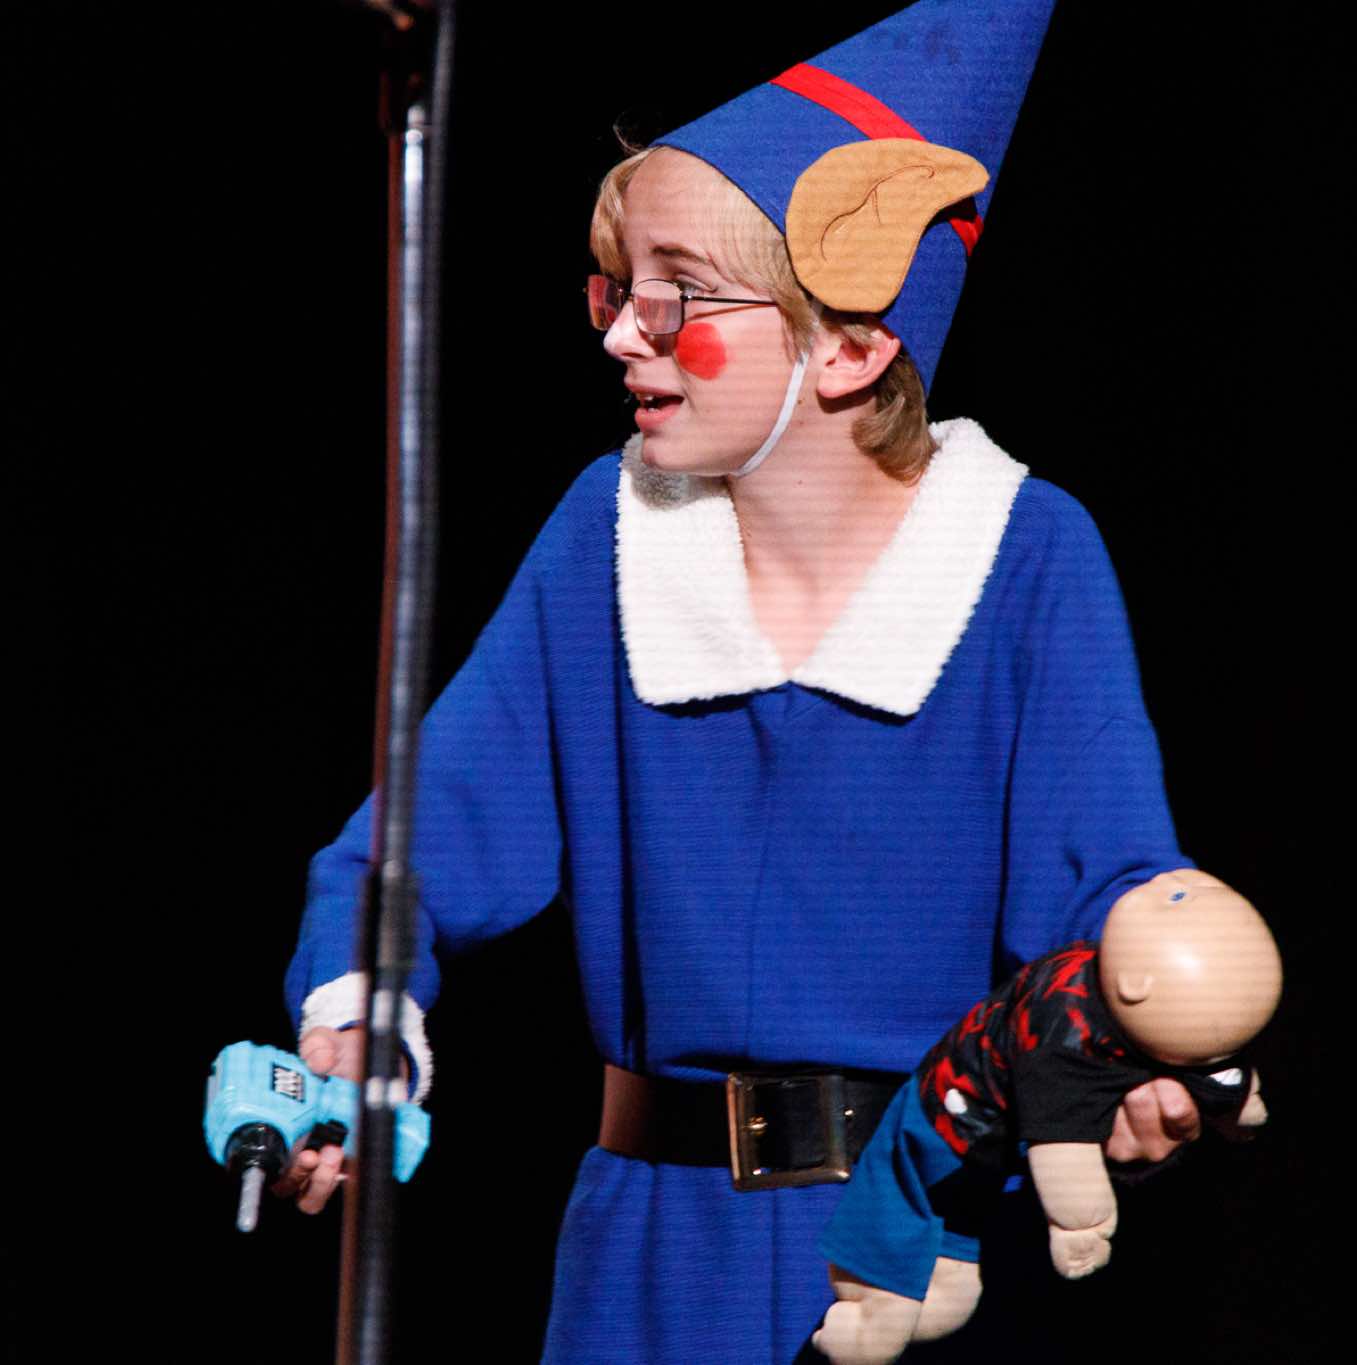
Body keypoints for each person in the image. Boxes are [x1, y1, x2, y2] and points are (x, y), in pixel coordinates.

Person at [276, 2, 1209, 1358]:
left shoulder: (1026, 555)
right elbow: (412, 851)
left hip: (926, 1245)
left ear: (850, 345)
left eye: (679, 297)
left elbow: (1113, 890)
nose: (622, 336)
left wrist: (1144, 1050)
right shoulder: (607, 538)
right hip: (649, 1264)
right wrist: (357, 1026)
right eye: (614, 290)